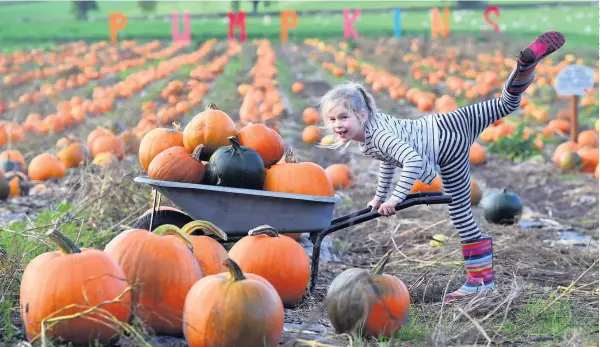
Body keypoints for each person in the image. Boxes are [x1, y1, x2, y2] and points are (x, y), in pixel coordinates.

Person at [318, 31, 565, 302]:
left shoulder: (378, 135)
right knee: (506, 104)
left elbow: (409, 160)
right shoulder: (372, 130)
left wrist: (396, 199)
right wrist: (379, 198)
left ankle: (480, 281)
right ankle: (525, 66)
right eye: (332, 120)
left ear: (361, 115)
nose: (337, 125)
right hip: (450, 125)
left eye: (343, 117)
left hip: (447, 140)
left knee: (460, 212)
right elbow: (389, 161)